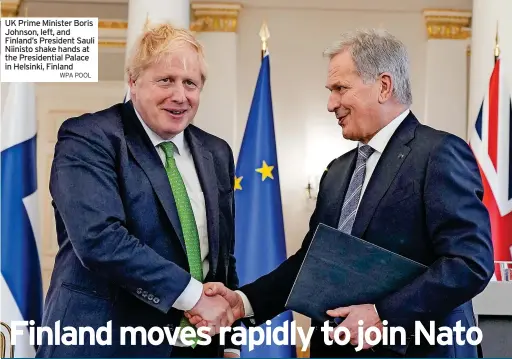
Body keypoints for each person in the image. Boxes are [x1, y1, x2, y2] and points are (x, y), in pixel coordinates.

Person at [187, 28, 494, 357]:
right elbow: (310, 263)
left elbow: (469, 262)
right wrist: (244, 302)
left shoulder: (440, 153)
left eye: (340, 88)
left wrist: (382, 314)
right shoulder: (336, 172)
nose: (331, 103)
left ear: (384, 86)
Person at [37, 23, 240, 358]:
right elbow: (99, 239)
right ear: (133, 82)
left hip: (197, 347)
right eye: (166, 80)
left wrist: (230, 343)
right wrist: (195, 297)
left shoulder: (216, 152)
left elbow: (221, 257)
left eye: (191, 83)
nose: (180, 95)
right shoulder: (88, 137)